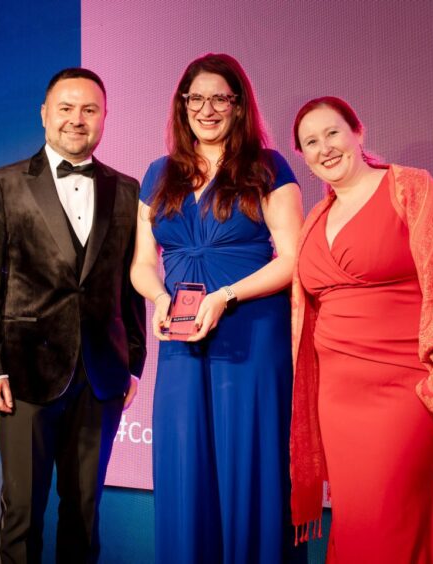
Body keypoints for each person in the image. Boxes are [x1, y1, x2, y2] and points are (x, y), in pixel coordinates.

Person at [289, 96, 433, 562]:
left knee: (391, 521)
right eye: (311, 142)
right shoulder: (315, 218)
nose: (325, 148)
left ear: (358, 133)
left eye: (333, 133)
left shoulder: (409, 188)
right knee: (355, 523)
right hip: (337, 398)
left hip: (406, 392)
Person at [0, 67, 146, 564]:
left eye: (89, 109)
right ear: (44, 114)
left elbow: (132, 287)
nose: (76, 119)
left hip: (101, 376)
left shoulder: (128, 191)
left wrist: (133, 360)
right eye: (65, 108)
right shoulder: (2, 185)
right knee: (22, 515)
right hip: (23, 374)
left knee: (84, 515)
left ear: (105, 117)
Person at [130, 53, 305, 564]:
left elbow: (293, 259)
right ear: (182, 106)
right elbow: (142, 263)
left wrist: (223, 297)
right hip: (182, 341)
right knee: (186, 470)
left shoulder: (268, 167)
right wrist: (161, 300)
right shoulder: (158, 173)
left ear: (238, 105)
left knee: (250, 468)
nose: (207, 109)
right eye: (196, 99)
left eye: (219, 99)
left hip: (251, 336)